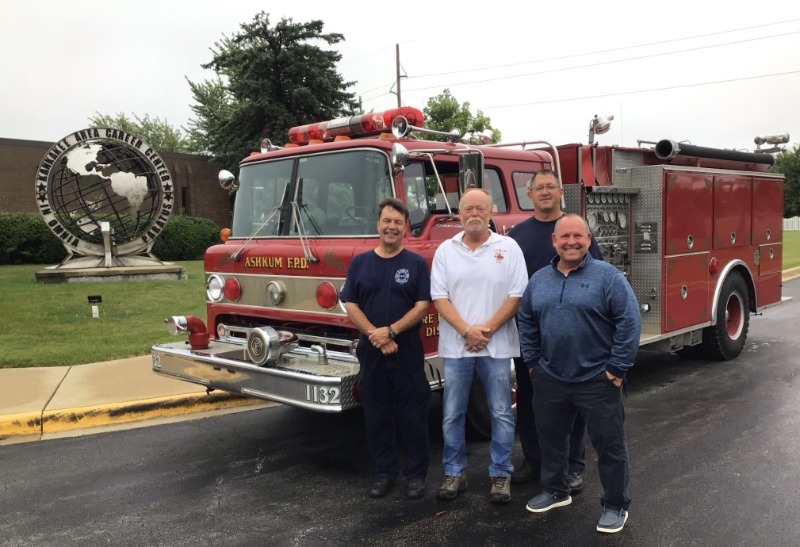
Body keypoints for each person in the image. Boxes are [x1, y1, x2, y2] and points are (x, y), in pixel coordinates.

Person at [517, 214, 641, 534]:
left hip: (597, 379)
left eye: (578, 236)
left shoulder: (608, 277)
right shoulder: (539, 280)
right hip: (551, 377)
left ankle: (615, 505)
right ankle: (556, 491)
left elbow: (629, 323)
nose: (571, 242)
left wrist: (616, 369)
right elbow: (527, 321)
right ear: (554, 241)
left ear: (589, 239)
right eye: (564, 236)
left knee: (610, 446)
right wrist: (533, 362)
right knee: (551, 441)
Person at [430, 187, 528, 504]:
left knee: (501, 412)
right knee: (451, 413)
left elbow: (516, 295)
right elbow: (439, 297)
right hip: (456, 347)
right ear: (459, 213)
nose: (474, 213)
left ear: (491, 211)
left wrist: (484, 331)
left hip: (496, 347)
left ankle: (500, 474)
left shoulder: (509, 247)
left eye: (480, 208)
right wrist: (466, 331)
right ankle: (454, 474)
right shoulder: (446, 250)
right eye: (468, 208)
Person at [507, 169, 603, 493]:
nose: (545, 192)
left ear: (561, 192)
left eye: (551, 186)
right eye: (539, 188)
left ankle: (572, 467)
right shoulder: (516, 236)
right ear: (529, 194)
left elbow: (598, 278)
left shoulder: (576, 230)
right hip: (530, 336)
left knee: (573, 405)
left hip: (573, 336)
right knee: (532, 401)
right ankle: (534, 460)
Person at [341, 198, 432, 500]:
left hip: (406, 349)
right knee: (376, 414)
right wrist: (375, 334)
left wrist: (391, 331)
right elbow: (350, 302)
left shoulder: (416, 263)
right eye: (387, 220)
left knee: (412, 414)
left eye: (398, 222)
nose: (392, 226)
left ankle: (417, 475)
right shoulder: (360, 262)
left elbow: (423, 305)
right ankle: (385, 473)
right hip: (371, 350)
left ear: (404, 227)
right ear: (378, 224)